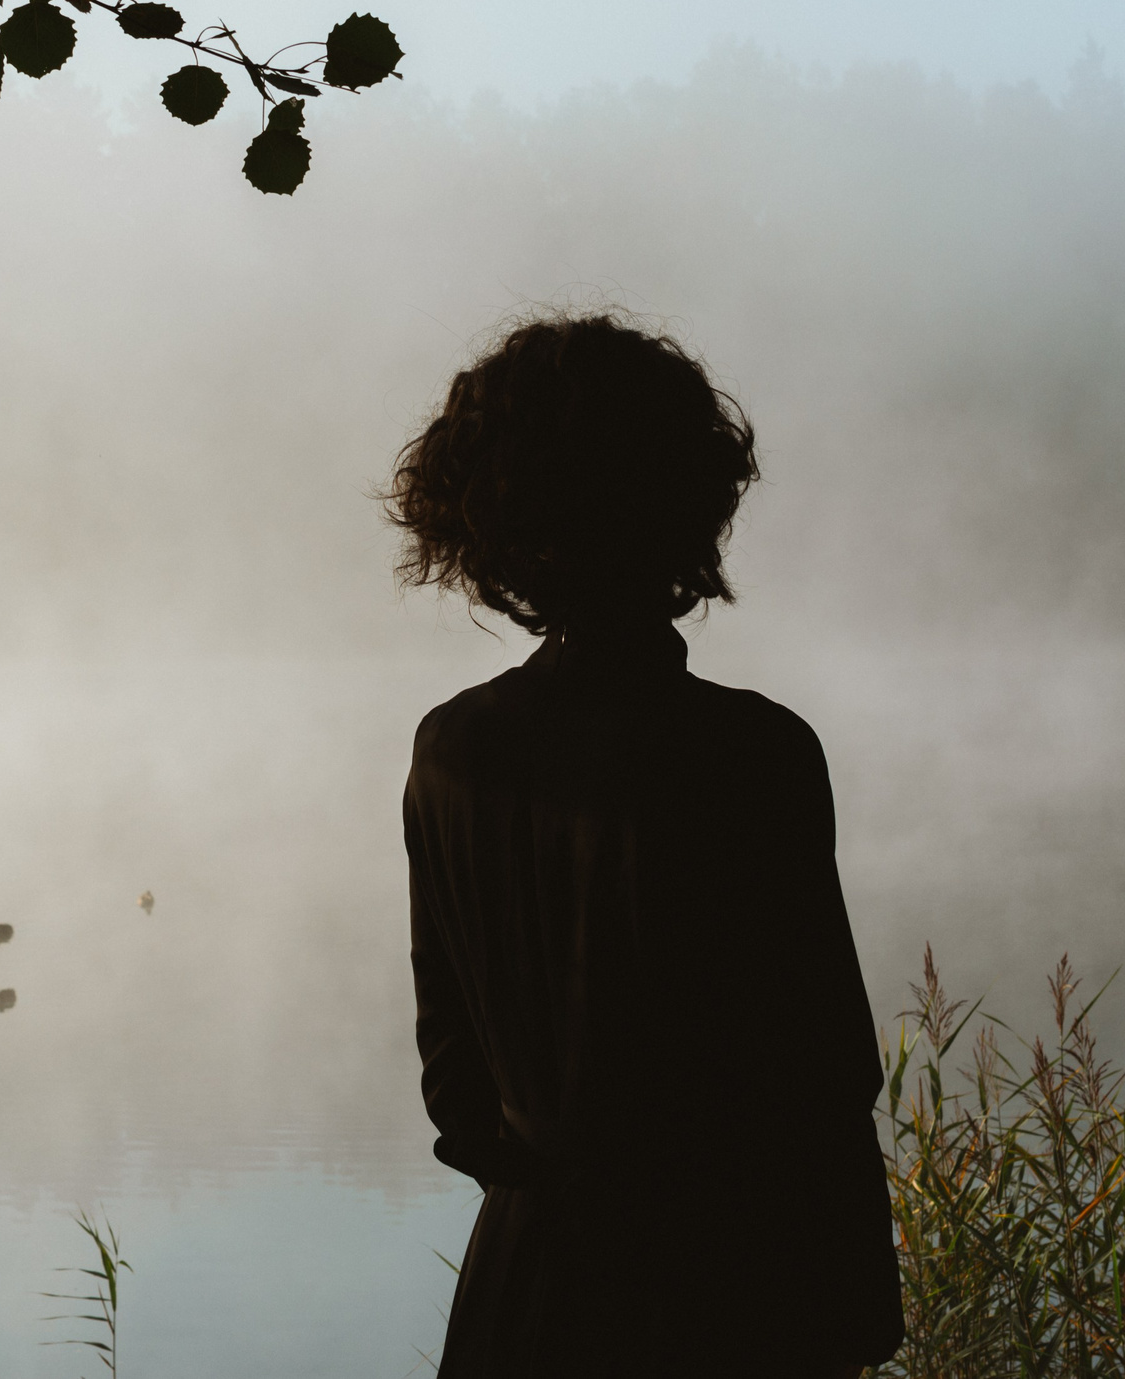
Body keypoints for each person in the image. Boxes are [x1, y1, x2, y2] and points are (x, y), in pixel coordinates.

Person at [387, 315, 903, 1377]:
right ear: (686, 503)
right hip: (720, 1304)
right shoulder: (751, 754)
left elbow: (458, 1098)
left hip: (518, 1310)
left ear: (489, 524)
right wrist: (848, 1320)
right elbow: (824, 1075)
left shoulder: (450, 753)